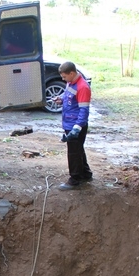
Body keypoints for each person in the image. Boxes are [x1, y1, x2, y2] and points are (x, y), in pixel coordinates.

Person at [55, 61, 92, 190]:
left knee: (73, 153)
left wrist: (77, 127)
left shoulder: (83, 87)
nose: (63, 79)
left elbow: (84, 110)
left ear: (71, 73)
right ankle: (86, 173)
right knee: (78, 149)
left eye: (64, 76)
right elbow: (68, 97)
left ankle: (74, 179)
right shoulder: (71, 82)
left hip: (75, 125)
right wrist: (61, 99)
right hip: (70, 123)